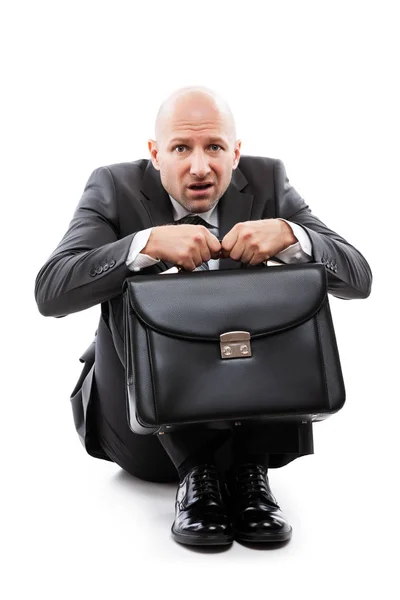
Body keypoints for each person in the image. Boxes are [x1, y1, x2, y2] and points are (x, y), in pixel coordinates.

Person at [34, 86, 372, 547]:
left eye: (214, 147)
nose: (199, 166)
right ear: (155, 154)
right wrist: (144, 246)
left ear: (236, 153)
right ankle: (197, 473)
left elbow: (358, 277)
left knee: (293, 278)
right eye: (180, 149)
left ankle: (251, 475)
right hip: (145, 430)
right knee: (131, 283)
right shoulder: (113, 186)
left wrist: (291, 236)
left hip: (247, 419)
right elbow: (51, 290)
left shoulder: (269, 181)